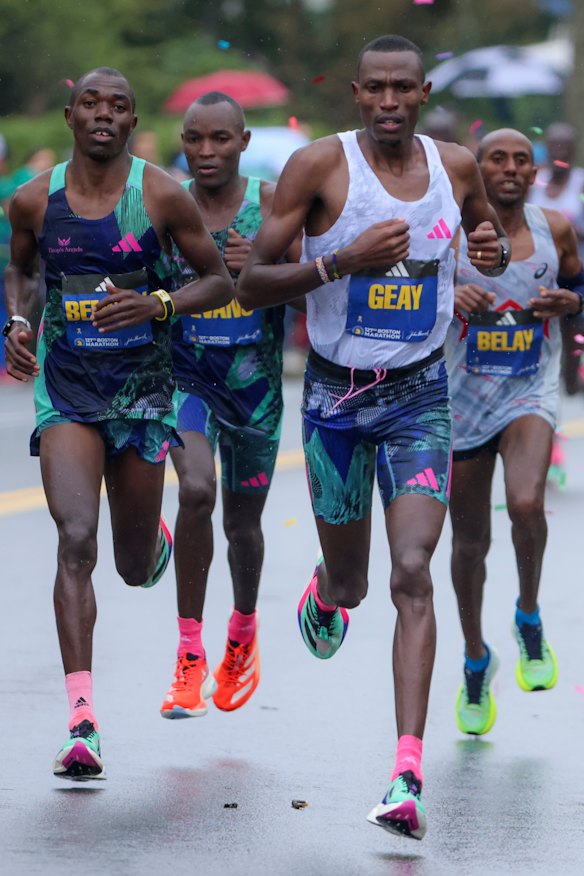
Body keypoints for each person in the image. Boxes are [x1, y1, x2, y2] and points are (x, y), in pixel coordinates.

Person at [237, 34, 510, 840]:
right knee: (358, 586)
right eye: (376, 90)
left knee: (414, 571)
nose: (390, 102)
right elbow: (251, 282)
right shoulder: (319, 169)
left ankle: (406, 773)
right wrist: (341, 261)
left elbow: (482, 238)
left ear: (422, 92)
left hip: (421, 396)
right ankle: (329, 589)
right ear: (356, 94)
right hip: (334, 403)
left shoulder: (457, 167)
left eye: (404, 89)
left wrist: (480, 257)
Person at [3, 67, 232, 780]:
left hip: (140, 394)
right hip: (67, 390)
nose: (104, 115)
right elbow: (26, 276)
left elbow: (220, 279)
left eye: (119, 107)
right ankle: (81, 720)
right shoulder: (33, 201)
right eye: (92, 104)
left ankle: (150, 540)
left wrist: (158, 305)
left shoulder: (159, 193)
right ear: (70, 115)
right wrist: (17, 321)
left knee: (133, 567)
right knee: (76, 538)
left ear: (133, 123)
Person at [159, 92, 300, 719]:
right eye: (195, 139)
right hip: (186, 378)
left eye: (221, 139)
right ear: (182, 143)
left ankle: (242, 631)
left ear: (243, 142)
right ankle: (189, 652)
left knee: (243, 525)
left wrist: (263, 269)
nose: (207, 151)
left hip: (255, 390)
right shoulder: (166, 201)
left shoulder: (271, 202)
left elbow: (307, 289)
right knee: (195, 492)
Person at [445, 129, 583, 736]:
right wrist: (450, 295)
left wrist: (567, 304)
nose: (509, 169)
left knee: (527, 501)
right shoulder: (449, 230)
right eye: (496, 159)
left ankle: (528, 615)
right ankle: (477, 656)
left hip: (529, 391)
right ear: (477, 170)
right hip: (460, 400)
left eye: (520, 160)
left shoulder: (556, 229)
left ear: (535, 172)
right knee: (469, 545)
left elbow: (578, 286)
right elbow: (408, 289)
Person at [529, 122, 584, 394]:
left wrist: (570, 233)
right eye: (554, 145)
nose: (558, 151)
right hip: (536, 271)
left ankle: (571, 383)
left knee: (573, 327)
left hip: (574, 270)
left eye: (565, 146)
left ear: (574, 151)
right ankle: (541, 383)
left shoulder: (580, 182)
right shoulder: (535, 183)